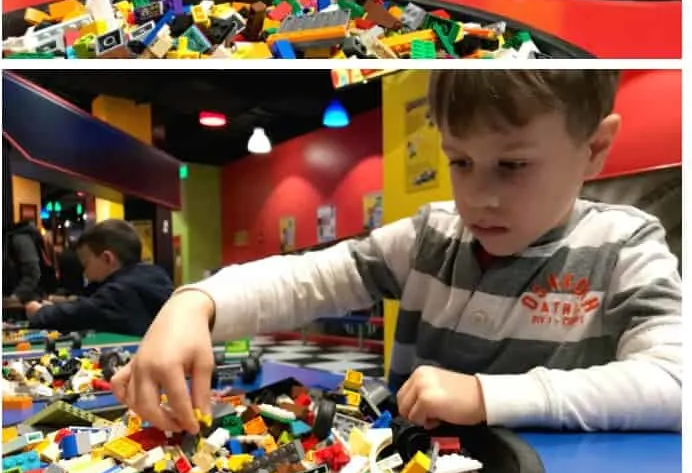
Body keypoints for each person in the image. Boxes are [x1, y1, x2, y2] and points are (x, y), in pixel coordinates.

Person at [112, 71, 681, 436]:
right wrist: (195, 301)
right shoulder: (431, 237)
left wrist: (488, 395)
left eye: (513, 165)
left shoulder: (624, 247)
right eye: (460, 161)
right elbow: (307, 279)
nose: (478, 196)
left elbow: (675, 384)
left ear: (595, 149)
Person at [24, 219, 174, 335]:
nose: (85, 273)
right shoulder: (154, 276)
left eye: (86, 264)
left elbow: (82, 313)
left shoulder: (119, 293)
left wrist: (39, 312)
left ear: (107, 258)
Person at [3, 221, 55, 303]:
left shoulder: (20, 239)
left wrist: (15, 296)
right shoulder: (14, 237)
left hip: (27, 302)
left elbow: (33, 273)